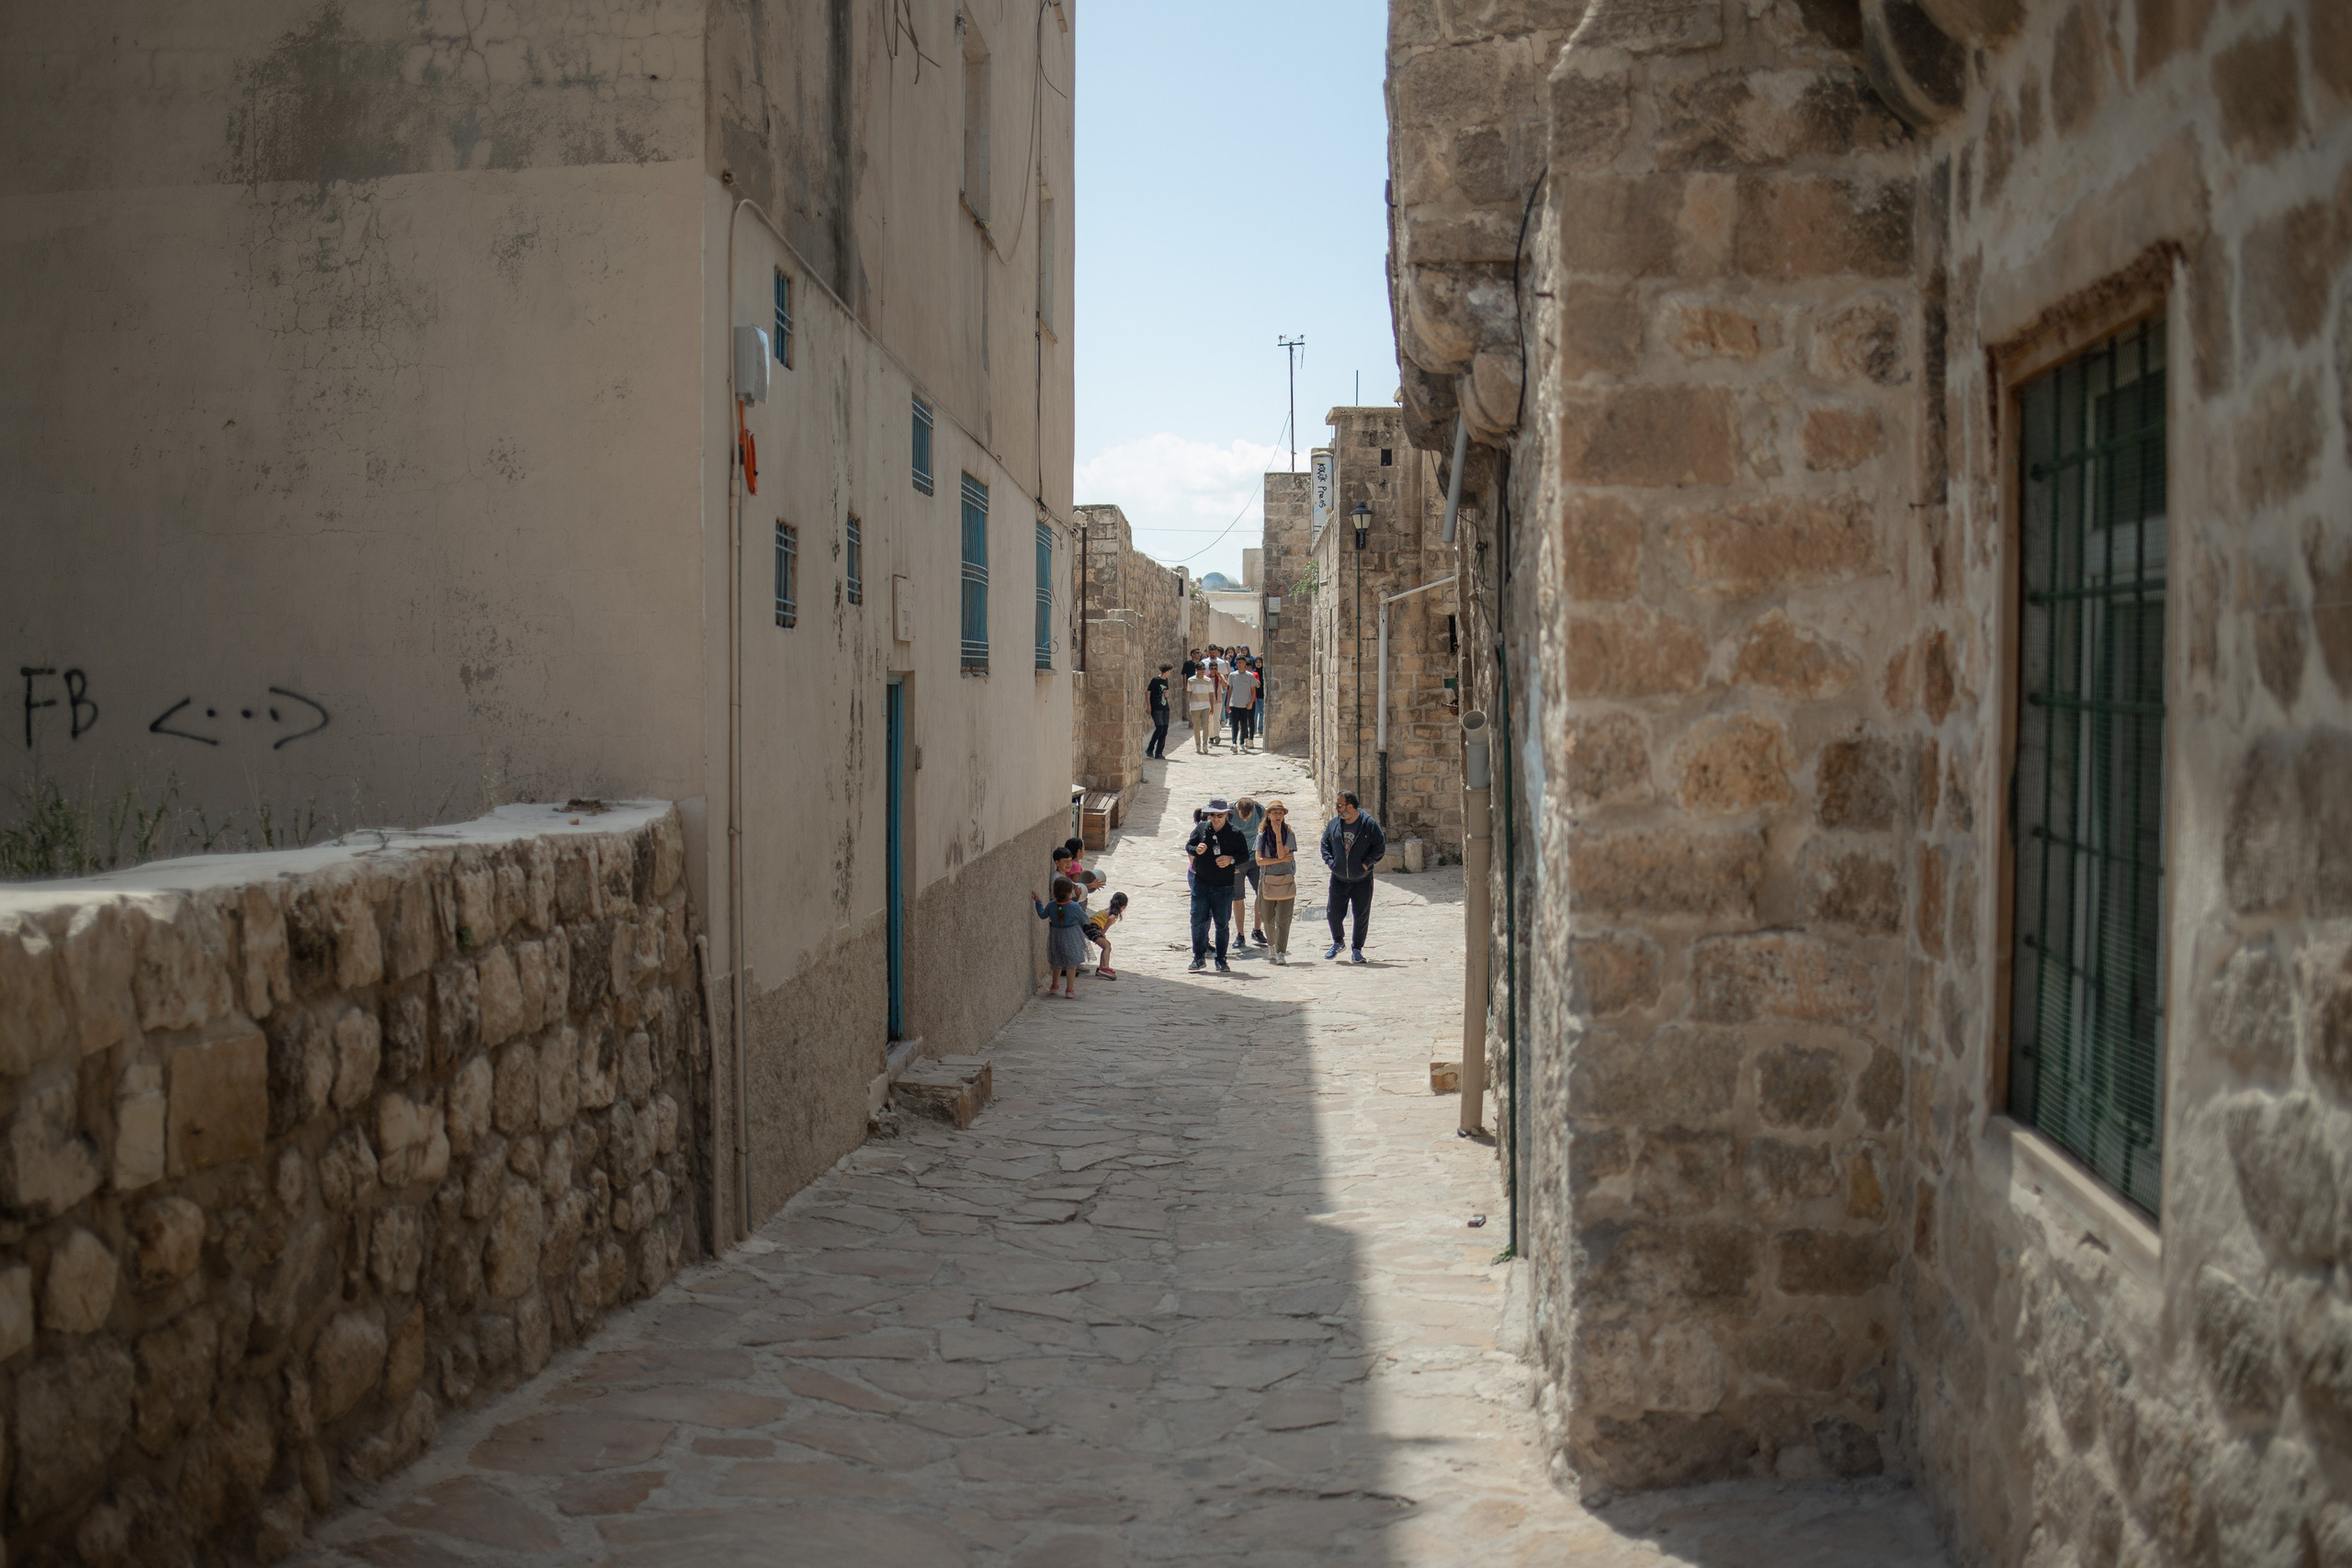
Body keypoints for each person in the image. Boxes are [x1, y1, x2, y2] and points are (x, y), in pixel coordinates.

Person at [1320, 791, 1385, 964]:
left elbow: (1379, 847)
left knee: (1361, 915)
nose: (1337, 809)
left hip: (1362, 880)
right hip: (1339, 878)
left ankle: (1357, 949)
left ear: (1350, 806)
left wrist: (1366, 864)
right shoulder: (1334, 824)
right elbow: (1325, 844)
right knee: (1333, 913)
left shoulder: (1369, 825)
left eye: (1339, 805)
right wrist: (1331, 862)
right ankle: (1338, 941)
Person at [1185, 798, 1249, 973]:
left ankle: (1221, 959)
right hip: (1201, 884)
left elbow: (1244, 855)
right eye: (1212, 815)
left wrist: (1231, 860)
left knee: (1222, 924)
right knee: (1197, 922)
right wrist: (1196, 849)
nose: (1215, 818)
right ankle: (1198, 958)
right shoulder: (1201, 829)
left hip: (1223, 887)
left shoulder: (1235, 833)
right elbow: (1188, 846)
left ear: (1226, 815)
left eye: (1219, 815)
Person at [1256, 799, 1300, 962]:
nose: (1278, 815)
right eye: (1275, 812)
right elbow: (1259, 861)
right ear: (1268, 815)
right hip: (1267, 880)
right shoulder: (1261, 836)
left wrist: (1277, 835)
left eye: (1280, 813)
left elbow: (1282, 854)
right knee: (1267, 917)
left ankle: (1281, 951)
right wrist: (1278, 861)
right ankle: (1271, 945)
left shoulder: (1289, 835)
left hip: (1285, 880)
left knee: (1283, 919)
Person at [1034, 876, 1090, 997]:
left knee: (1057, 962)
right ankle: (1069, 990)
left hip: (1056, 935)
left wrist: (1038, 902)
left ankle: (1054, 986)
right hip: (1071, 935)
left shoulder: (1051, 905)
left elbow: (1042, 915)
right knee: (1071, 964)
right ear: (1070, 892)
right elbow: (1085, 919)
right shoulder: (1074, 906)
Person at [1229, 796, 1266, 945]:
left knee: (1262, 894)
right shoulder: (1229, 814)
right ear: (1237, 809)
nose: (1245, 821)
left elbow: (1266, 830)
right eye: (1242, 817)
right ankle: (1240, 934)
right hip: (1237, 861)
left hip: (1255, 859)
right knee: (1238, 898)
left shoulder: (1259, 811)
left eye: (1247, 817)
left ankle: (1257, 930)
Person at [1084, 890, 1128, 979]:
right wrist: (1103, 933)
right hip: (1093, 927)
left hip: (1091, 926)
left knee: (1107, 945)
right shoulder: (1114, 914)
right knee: (1106, 947)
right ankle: (1105, 968)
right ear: (1124, 906)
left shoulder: (1109, 910)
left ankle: (1101, 968)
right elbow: (1110, 919)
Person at [1226, 659, 1259, 750]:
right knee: (1234, 724)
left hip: (1245, 704)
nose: (1238, 664)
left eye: (1240, 663)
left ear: (1245, 664)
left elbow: (1253, 691)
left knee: (1244, 724)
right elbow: (1230, 690)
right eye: (1237, 663)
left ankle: (1241, 743)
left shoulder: (1250, 676)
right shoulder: (1232, 675)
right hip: (1234, 703)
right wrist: (1227, 704)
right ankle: (1234, 743)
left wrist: (1251, 702)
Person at [1186, 663, 1216, 753]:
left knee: (1205, 725)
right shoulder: (1191, 680)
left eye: (1203, 669)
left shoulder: (1208, 680)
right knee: (1196, 726)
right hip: (1195, 706)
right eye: (1200, 669)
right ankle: (1197, 744)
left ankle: (1205, 744)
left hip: (1205, 705)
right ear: (1196, 669)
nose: (1201, 671)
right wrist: (1190, 706)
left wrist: (1212, 707)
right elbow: (1190, 693)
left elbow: (1211, 694)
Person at [1145, 664, 1173, 759]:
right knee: (1159, 728)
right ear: (1167, 671)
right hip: (1156, 707)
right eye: (1170, 671)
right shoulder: (1155, 680)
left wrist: (1167, 695)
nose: (1170, 673)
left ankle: (1159, 752)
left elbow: (1166, 693)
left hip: (1165, 707)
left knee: (1164, 730)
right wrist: (1149, 706)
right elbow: (1148, 692)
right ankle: (1150, 749)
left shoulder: (1166, 681)